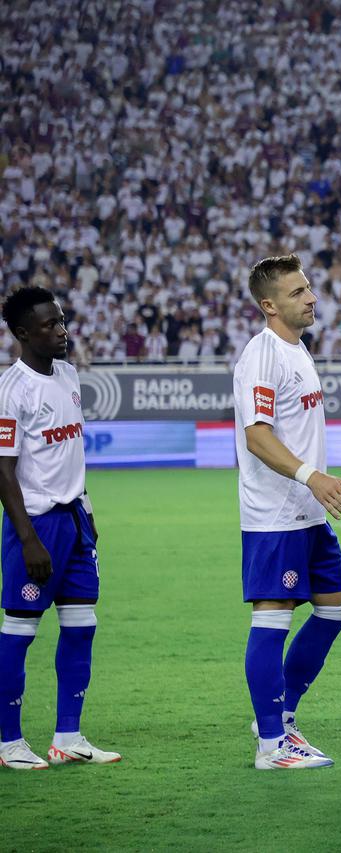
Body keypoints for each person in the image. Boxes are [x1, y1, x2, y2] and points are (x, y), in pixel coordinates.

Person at [233, 254, 341, 770]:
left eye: (308, 288)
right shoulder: (261, 357)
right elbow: (257, 436)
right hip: (276, 517)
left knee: (336, 609)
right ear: (269, 305)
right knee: (273, 618)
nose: (310, 297)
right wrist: (313, 476)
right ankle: (270, 746)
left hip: (308, 515)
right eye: (297, 292)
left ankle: (280, 716)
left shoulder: (298, 350)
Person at [0, 286, 119, 770]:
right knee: (19, 632)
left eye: (62, 320)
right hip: (37, 525)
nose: (62, 331)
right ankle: (8, 742)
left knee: (81, 627)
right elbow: (4, 470)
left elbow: (72, 451)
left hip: (74, 521)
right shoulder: (12, 389)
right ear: (23, 334)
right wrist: (28, 538)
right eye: (49, 325)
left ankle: (67, 737)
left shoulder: (68, 374)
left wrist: (86, 511)